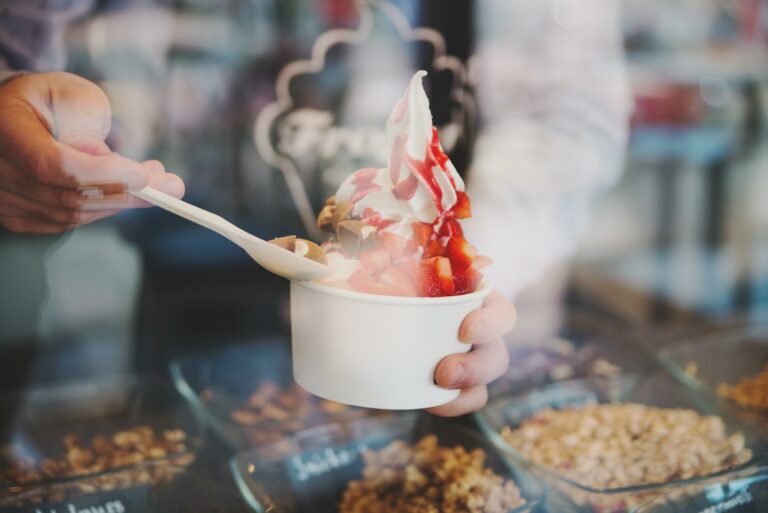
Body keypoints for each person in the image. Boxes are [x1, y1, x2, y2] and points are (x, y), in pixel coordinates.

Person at [0, 0, 629, 417]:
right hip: (194, 288)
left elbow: (567, 116)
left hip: (434, 346)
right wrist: (32, 98)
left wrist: (455, 275)